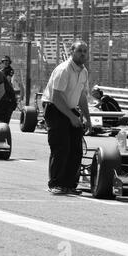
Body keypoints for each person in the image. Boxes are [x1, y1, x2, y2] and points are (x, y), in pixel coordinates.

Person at [41, 40, 91, 195]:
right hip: (55, 108)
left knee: (76, 149)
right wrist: (71, 117)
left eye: (85, 51)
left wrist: (88, 119)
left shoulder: (83, 72)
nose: (82, 53)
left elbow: (82, 97)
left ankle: (69, 185)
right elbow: (56, 97)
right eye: (79, 50)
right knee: (61, 147)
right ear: (72, 52)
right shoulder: (64, 69)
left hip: (70, 109)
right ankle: (55, 184)